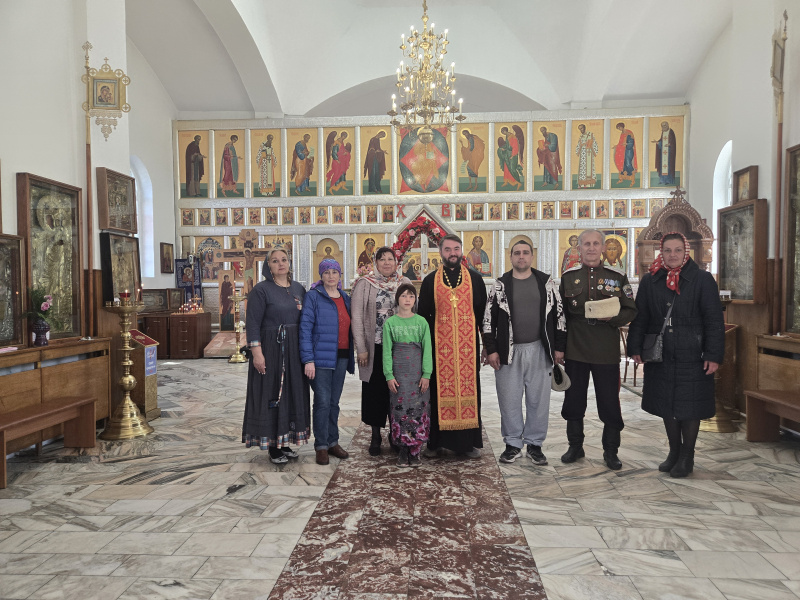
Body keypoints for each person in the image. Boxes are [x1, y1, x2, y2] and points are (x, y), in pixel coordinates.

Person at [627, 232, 724, 477]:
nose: (672, 255)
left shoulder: (702, 280)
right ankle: (674, 451)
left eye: (677, 250)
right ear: (662, 252)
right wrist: (636, 348)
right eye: (667, 250)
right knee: (667, 404)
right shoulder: (651, 281)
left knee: (689, 406)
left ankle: (687, 456)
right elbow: (641, 317)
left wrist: (713, 354)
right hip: (662, 353)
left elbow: (714, 321)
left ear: (686, 252)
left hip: (693, 353)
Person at [559, 230, 638, 470]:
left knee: (609, 401)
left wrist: (612, 318)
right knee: (574, 399)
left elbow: (631, 310)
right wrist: (560, 348)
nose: (591, 248)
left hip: (606, 348)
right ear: (579, 248)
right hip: (576, 347)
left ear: (603, 247)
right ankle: (575, 446)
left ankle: (611, 450)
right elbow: (560, 316)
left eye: (595, 244)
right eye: (586, 244)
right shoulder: (568, 277)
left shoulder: (617, 276)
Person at [483, 240, 566, 465]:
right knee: (509, 399)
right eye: (517, 253)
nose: (522, 257)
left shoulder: (545, 282)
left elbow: (559, 315)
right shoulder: (500, 285)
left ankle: (535, 444)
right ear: (511, 257)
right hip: (508, 352)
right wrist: (491, 350)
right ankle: (512, 444)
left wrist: (558, 347)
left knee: (538, 400)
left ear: (532, 256)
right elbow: (488, 320)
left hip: (539, 348)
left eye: (526, 253)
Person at [418, 234, 487, 458]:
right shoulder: (430, 281)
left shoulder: (475, 280)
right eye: (448, 249)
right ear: (440, 252)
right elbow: (424, 316)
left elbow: (483, 315)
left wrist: (487, 345)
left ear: (462, 251)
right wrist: (426, 348)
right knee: (438, 393)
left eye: (456, 249)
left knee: (469, 390)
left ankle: (468, 444)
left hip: (468, 350)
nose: (452, 253)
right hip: (441, 351)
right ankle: (436, 442)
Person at [242, 249, 309, 465]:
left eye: (284, 260)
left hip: (294, 351)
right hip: (271, 349)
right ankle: (272, 445)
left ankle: (285, 440)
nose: (280, 264)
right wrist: (257, 353)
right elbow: (252, 323)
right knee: (272, 393)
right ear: (268, 266)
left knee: (291, 394)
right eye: (275, 261)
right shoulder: (261, 291)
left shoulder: (298, 288)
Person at [351, 247, 412, 455]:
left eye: (390, 259)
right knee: (375, 392)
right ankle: (375, 435)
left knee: (397, 392)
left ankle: (395, 434)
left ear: (396, 262)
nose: (386, 263)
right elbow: (357, 317)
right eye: (382, 259)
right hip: (375, 348)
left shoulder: (405, 284)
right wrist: (361, 348)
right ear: (375, 263)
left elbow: (414, 313)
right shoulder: (365, 284)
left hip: (400, 349)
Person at [299, 258, 355, 465]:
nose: (331, 276)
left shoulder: (345, 297)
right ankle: (321, 445)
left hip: (341, 356)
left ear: (340, 275)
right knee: (322, 402)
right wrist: (308, 360)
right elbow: (305, 329)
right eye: (327, 272)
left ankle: (333, 442)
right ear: (321, 276)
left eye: (335, 272)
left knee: (334, 403)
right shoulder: (313, 297)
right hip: (320, 358)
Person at [383, 283, 433, 467]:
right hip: (399, 376)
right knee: (400, 410)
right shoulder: (391, 323)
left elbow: (427, 350)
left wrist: (426, 374)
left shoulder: (421, 322)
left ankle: (416, 450)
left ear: (415, 300)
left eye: (411, 296)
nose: (407, 299)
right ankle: (403, 450)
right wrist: (389, 375)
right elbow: (387, 351)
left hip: (417, 375)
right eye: (403, 296)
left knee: (418, 409)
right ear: (397, 299)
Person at [652, 121, 676, 185]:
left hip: (669, 153)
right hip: (663, 152)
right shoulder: (663, 132)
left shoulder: (671, 132)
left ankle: (668, 180)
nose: (664, 127)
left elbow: (673, 142)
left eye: (665, 126)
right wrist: (657, 142)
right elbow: (661, 140)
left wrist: (669, 144)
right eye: (662, 126)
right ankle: (662, 180)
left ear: (667, 125)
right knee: (662, 166)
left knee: (668, 166)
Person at [575, 124, 598, 188]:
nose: (580, 130)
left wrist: (589, 144)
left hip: (589, 154)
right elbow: (579, 144)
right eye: (579, 129)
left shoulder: (590, 134)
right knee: (582, 168)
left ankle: (589, 184)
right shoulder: (581, 136)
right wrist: (580, 146)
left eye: (581, 128)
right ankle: (582, 184)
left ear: (584, 128)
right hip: (583, 154)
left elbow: (594, 143)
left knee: (589, 169)